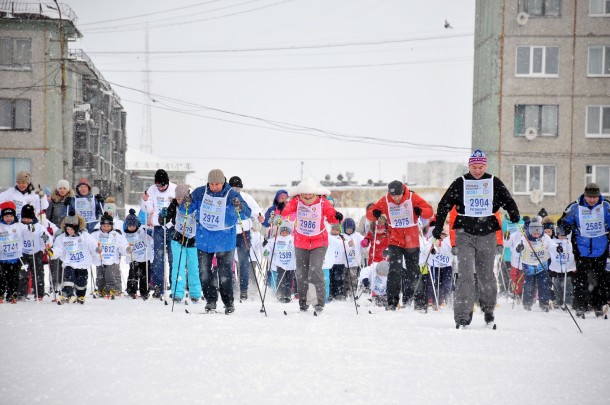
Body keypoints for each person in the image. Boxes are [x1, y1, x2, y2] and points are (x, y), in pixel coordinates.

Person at [432, 150, 520, 328]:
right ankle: (462, 316)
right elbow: (444, 204)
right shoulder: (461, 183)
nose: (477, 171)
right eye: (474, 167)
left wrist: (513, 213)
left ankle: (488, 311)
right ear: (469, 166)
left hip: (487, 234)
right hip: (465, 234)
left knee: (486, 275)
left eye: (480, 167)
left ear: (485, 166)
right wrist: (439, 226)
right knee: (465, 275)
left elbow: (507, 200)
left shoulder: (493, 181)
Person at [366, 180, 434, 311]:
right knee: (394, 271)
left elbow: (429, 211)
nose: (396, 198)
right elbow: (371, 213)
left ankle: (420, 303)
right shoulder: (386, 200)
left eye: (398, 195)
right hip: (394, 240)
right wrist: (374, 213)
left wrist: (421, 211)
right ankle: (392, 303)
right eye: (393, 196)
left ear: (403, 192)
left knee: (413, 271)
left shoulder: (412, 197)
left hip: (411, 241)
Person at [278, 177, 341, 313]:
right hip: (301, 241)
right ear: (300, 193)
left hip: (319, 241)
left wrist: (337, 216)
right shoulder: (296, 201)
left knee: (315, 271)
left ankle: (318, 302)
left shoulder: (322, 201)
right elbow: (286, 211)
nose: (307, 196)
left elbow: (331, 215)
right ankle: (304, 302)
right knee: (302, 273)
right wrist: (282, 208)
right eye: (304, 194)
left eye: (309, 194)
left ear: (314, 193)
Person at [191, 169, 250, 314]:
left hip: (224, 239)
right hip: (204, 238)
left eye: (217, 184)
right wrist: (185, 203)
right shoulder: (200, 193)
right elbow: (184, 208)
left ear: (223, 182)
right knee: (204, 271)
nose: (214, 187)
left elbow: (246, 213)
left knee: (224, 273)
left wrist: (239, 207)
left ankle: (228, 302)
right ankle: (210, 300)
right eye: (211, 184)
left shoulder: (232, 194)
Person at [557, 183, 610, 318]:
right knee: (581, 278)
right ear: (584, 196)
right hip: (582, 248)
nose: (592, 200)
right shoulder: (575, 207)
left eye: (595, 197)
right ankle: (581, 305)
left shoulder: (606, 206)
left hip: (601, 247)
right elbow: (563, 222)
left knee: (600, 277)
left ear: (599, 196)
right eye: (589, 197)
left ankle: (598, 305)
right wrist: (565, 228)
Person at [142, 169, 177, 298]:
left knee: (174, 257)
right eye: (158, 186)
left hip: (172, 227)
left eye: (162, 185)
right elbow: (147, 206)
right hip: (158, 227)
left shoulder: (174, 188)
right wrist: (146, 202)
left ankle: (175, 286)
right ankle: (158, 286)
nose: (160, 188)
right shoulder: (152, 190)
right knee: (158, 257)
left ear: (167, 183)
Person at [50, 210, 98, 304]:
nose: (69, 231)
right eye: (67, 229)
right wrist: (53, 252)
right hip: (69, 262)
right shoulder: (62, 237)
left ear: (76, 228)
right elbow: (58, 248)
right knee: (68, 277)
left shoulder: (84, 236)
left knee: (82, 282)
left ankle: (80, 295)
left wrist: (96, 249)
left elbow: (92, 244)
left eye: (72, 229)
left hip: (82, 263)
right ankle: (66, 293)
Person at [229, 176, 264, 300]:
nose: (235, 190)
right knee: (228, 261)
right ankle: (230, 287)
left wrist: (259, 216)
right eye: (233, 187)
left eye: (238, 188)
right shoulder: (226, 197)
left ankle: (244, 290)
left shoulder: (247, 197)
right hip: (230, 232)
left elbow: (256, 210)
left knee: (244, 262)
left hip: (244, 233)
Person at [168, 184, 202, 303]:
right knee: (178, 266)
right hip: (178, 239)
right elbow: (164, 219)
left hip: (193, 240)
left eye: (182, 199)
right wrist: (163, 216)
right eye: (178, 199)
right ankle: (177, 292)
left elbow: (200, 218)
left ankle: (195, 292)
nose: (180, 202)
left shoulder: (195, 206)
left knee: (193, 267)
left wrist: (198, 217)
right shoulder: (174, 206)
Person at [514, 216, 553, 312]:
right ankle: (527, 303)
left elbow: (552, 245)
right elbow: (517, 248)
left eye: (538, 232)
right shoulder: (524, 238)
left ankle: (544, 303)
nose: (536, 234)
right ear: (530, 231)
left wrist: (557, 249)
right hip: (529, 265)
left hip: (542, 264)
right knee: (529, 285)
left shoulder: (545, 238)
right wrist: (519, 248)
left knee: (543, 284)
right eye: (534, 232)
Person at [90, 212, 128, 298]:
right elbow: (91, 244)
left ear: (111, 225)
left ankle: (111, 289)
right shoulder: (95, 234)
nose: (106, 228)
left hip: (111, 258)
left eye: (108, 226)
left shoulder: (116, 234)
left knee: (110, 275)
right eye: (104, 226)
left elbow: (122, 245)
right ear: (101, 225)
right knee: (100, 276)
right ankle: (101, 289)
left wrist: (126, 249)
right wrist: (95, 249)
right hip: (100, 258)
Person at [18, 204, 51, 301]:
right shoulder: (19, 226)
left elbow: (45, 236)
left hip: (36, 253)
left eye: (29, 218)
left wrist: (46, 242)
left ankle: (39, 293)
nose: (26, 220)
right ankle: (22, 293)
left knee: (38, 273)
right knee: (23, 273)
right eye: (24, 218)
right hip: (23, 253)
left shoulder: (39, 227)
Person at [46, 179, 73, 293]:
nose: (62, 190)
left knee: (66, 259)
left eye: (64, 188)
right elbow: (47, 219)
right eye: (60, 188)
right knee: (55, 259)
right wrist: (54, 229)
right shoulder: (52, 201)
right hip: (56, 234)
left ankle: (65, 283)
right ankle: (54, 283)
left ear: (68, 190)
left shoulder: (72, 201)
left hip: (68, 234)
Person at [123, 209, 153, 300]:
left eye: (133, 225)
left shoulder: (141, 230)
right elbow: (123, 244)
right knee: (133, 274)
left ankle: (144, 291)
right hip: (134, 258)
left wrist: (149, 234)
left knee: (145, 275)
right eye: (129, 226)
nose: (131, 227)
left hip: (144, 257)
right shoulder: (125, 234)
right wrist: (127, 249)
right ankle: (131, 290)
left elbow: (150, 238)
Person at [263, 220, 296, 303]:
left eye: (286, 232)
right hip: (280, 264)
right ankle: (280, 294)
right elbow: (268, 247)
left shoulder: (293, 239)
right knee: (280, 279)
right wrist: (266, 251)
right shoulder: (276, 240)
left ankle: (287, 295)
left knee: (289, 281)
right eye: (283, 232)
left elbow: (298, 248)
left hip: (290, 264)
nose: (284, 234)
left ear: (289, 232)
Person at [0, 202, 24, 303]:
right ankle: (1, 294)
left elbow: (29, 230)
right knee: (1, 278)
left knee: (13, 278)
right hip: (2, 258)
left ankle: (12, 294)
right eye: (6, 216)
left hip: (15, 258)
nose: (9, 218)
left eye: (10, 216)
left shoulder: (19, 226)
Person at [547, 225, 575, 309]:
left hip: (567, 268)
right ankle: (558, 302)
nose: (562, 237)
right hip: (556, 269)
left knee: (568, 287)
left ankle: (568, 302)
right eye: (560, 235)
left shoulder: (569, 242)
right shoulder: (553, 242)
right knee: (557, 287)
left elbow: (571, 253)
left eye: (564, 235)